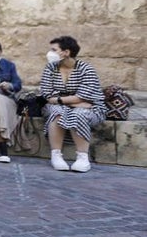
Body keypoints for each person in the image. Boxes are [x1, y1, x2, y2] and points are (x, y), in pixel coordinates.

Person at [40, 35, 106, 173]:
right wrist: (70, 101)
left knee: (79, 114)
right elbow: (47, 94)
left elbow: (85, 95)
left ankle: (82, 157)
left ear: (66, 52)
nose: (50, 53)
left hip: (92, 107)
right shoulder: (50, 68)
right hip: (62, 106)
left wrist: (60, 99)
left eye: (54, 49)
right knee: (56, 112)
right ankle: (56, 155)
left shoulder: (86, 69)